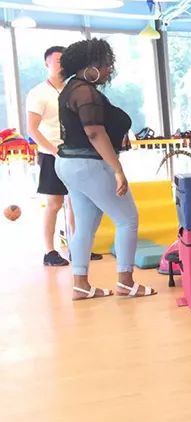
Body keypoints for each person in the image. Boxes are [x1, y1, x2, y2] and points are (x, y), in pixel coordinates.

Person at [53, 38, 154, 300]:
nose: (110, 69)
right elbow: (94, 132)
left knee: (85, 225)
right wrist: (117, 169)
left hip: (69, 164)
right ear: (90, 66)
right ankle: (125, 282)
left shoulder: (71, 89)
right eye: (106, 64)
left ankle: (80, 284)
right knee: (127, 219)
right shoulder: (85, 92)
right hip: (89, 164)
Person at [25, 45, 71, 266]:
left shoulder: (72, 90)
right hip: (51, 154)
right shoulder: (38, 93)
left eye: (65, 61)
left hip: (73, 154)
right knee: (54, 204)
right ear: (47, 63)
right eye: (57, 60)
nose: (61, 65)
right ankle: (49, 252)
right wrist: (54, 150)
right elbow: (32, 129)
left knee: (76, 203)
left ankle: (77, 246)